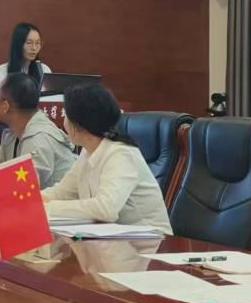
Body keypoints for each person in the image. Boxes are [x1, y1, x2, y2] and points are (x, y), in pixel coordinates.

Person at [41, 82, 172, 232]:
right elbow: (61, 193)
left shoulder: (121, 154)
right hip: (111, 237)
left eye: (66, 115)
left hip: (152, 240)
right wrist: (28, 202)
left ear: (77, 124)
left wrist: (49, 208)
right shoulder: (88, 152)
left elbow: (105, 209)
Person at [0, 73, 75, 188]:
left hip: (57, 200)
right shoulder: (13, 134)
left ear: (5, 106)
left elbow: (22, 187)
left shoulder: (38, 138)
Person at [0, 22, 51, 108]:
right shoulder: (1, 71)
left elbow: (51, 99)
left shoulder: (44, 69)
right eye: (29, 43)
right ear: (18, 44)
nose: (34, 48)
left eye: (38, 43)